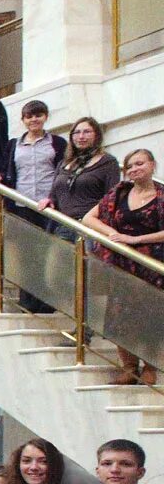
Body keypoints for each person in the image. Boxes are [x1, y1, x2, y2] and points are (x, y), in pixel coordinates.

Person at [81, 148, 162, 386]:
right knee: (118, 314)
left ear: (152, 165)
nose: (135, 169)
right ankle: (128, 367)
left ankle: (149, 366)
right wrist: (114, 234)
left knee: (150, 316)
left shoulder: (162, 196)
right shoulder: (119, 193)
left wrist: (136, 240)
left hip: (152, 264)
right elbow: (89, 218)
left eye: (140, 164)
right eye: (130, 166)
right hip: (120, 263)